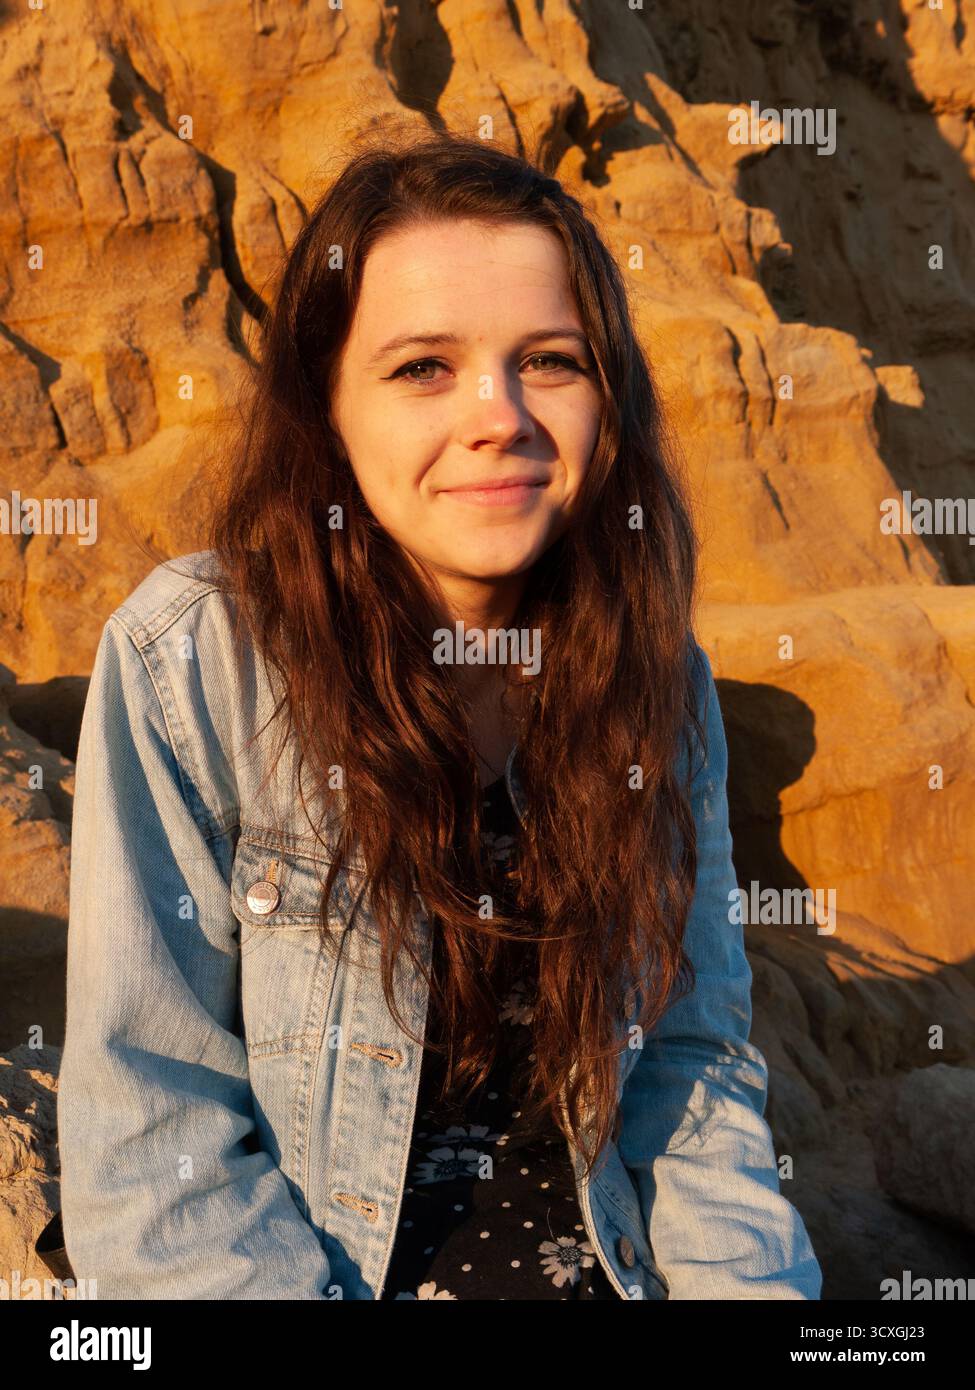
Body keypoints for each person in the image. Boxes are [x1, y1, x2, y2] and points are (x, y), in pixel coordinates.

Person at [56, 127, 823, 1300]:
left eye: (551, 361)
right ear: (328, 407)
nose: (498, 415)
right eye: (423, 367)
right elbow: (152, 1133)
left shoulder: (656, 690)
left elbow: (690, 1073)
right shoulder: (194, 659)